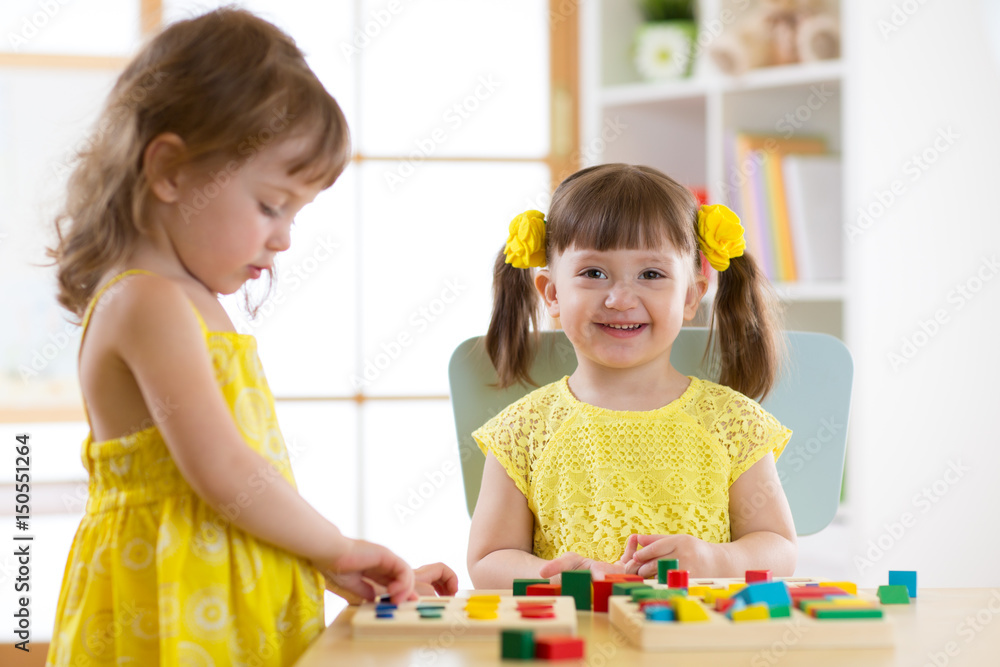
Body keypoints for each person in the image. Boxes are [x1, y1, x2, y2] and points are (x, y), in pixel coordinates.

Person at [46, 9, 455, 665]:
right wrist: (337, 544)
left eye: (296, 211)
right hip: (175, 604)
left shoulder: (190, 301)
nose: (285, 236)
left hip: (220, 594)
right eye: (271, 204)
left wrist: (326, 562)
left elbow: (246, 483)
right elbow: (224, 471)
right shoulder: (147, 302)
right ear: (172, 171)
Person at [467, 164, 797, 589]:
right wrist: (559, 576)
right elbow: (488, 561)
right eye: (593, 273)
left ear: (691, 296)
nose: (620, 298)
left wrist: (713, 559)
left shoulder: (731, 422)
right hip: (574, 643)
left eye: (651, 274)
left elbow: (780, 547)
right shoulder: (523, 430)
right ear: (551, 293)